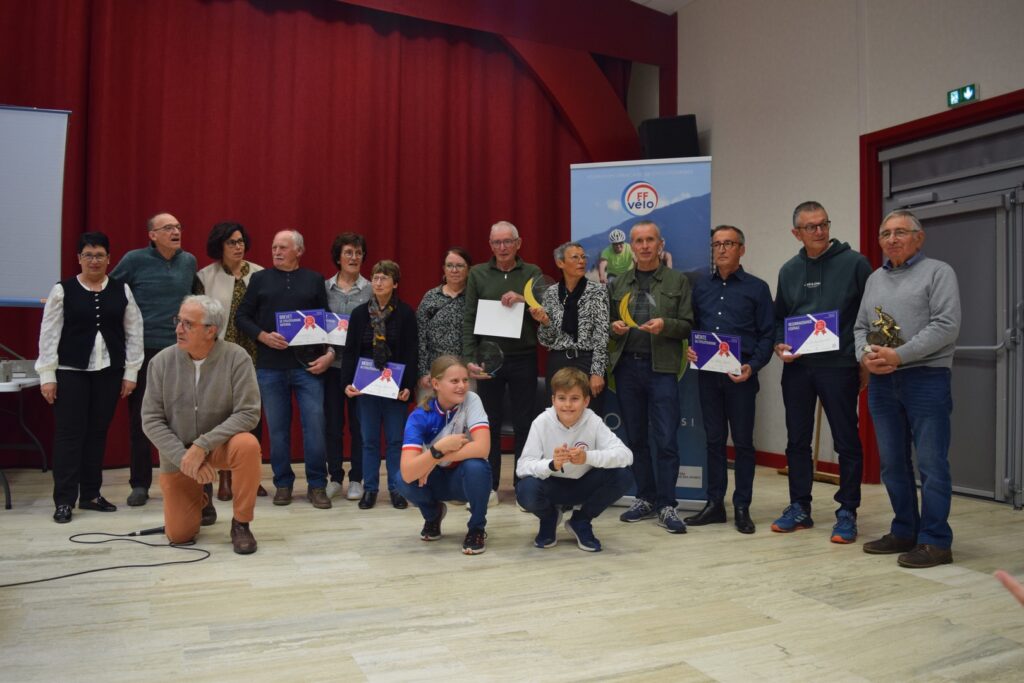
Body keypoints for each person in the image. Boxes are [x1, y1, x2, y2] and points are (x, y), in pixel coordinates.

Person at [856, 209, 961, 568]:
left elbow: (946, 325)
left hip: (926, 378)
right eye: (885, 233)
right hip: (883, 382)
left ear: (919, 237)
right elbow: (860, 327)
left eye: (900, 232)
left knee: (931, 463)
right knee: (892, 464)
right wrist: (865, 355)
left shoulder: (938, 272)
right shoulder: (875, 279)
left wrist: (899, 355)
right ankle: (904, 530)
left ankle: (936, 541)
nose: (892, 239)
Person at [772, 200, 872, 543]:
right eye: (811, 227)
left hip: (839, 366)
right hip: (798, 369)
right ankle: (799, 507)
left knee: (846, 440)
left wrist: (864, 360)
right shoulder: (788, 270)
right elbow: (780, 319)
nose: (819, 231)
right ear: (796, 233)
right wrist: (780, 344)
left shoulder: (855, 263)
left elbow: (869, 315)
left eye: (824, 224)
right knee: (797, 441)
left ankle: (847, 511)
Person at [36, 232, 144, 523]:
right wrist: (47, 375)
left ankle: (91, 494)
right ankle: (64, 500)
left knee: (97, 434)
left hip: (109, 373)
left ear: (109, 259)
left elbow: (134, 332)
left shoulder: (122, 290)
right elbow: (49, 335)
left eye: (99, 256)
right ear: (79, 259)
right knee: (69, 436)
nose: (94, 261)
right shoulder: (62, 290)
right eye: (88, 255)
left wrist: (130, 372)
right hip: (70, 373)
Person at [142, 296, 262, 554]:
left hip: (220, 446)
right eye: (178, 321)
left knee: (248, 445)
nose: (178, 329)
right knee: (179, 535)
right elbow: (150, 420)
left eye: (188, 324)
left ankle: (241, 524)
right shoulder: (161, 362)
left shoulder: (237, 358)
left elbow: (248, 413)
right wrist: (185, 457)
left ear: (211, 330)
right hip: (179, 454)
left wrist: (202, 445)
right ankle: (202, 498)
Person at [683, 225, 774, 534]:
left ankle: (742, 506)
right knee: (713, 441)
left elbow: (767, 334)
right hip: (708, 376)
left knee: (744, 443)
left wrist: (753, 366)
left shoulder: (757, 288)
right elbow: (693, 327)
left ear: (741, 249)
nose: (721, 249)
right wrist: (691, 349)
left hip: (741, 377)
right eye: (717, 244)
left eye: (729, 244)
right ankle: (715, 505)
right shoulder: (701, 287)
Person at [235, 230, 334, 509]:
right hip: (270, 367)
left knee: (315, 427)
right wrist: (263, 336)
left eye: (283, 247)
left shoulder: (314, 279)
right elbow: (241, 316)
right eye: (274, 247)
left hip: (308, 367)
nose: (276, 252)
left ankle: (317, 485)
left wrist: (329, 354)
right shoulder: (260, 279)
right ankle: (283, 483)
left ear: (298, 251)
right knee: (277, 430)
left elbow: (326, 321)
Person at [608, 220, 694, 534]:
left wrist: (666, 325)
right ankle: (644, 497)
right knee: (636, 439)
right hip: (627, 369)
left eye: (650, 240)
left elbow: (687, 325)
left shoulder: (677, 280)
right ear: (631, 246)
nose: (644, 246)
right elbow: (608, 325)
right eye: (639, 241)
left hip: (662, 370)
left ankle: (667, 504)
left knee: (666, 439)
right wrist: (614, 328)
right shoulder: (618, 282)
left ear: (660, 244)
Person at [110, 212, 197, 507]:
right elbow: (111, 293)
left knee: (185, 418)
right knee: (142, 419)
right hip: (144, 351)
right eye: (168, 227)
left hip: (181, 351)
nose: (175, 231)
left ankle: (185, 478)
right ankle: (139, 484)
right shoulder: (134, 260)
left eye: (178, 226)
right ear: (152, 235)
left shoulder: (189, 261)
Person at [462, 220, 542, 506]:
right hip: (489, 361)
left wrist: (523, 299)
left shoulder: (532, 273)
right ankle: (489, 486)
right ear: (490, 245)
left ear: (518, 243)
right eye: (497, 242)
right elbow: (469, 317)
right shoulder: (477, 273)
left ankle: (523, 487)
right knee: (489, 423)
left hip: (524, 357)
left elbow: (546, 311)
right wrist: (469, 358)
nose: (503, 247)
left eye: (508, 241)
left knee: (524, 424)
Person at [516, 367, 632, 551]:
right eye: (562, 398)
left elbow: (626, 455)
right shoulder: (541, 422)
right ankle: (549, 518)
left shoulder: (593, 421)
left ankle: (581, 520)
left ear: (586, 401)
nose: (567, 405)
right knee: (525, 489)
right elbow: (522, 467)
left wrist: (588, 457)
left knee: (623, 475)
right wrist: (551, 465)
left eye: (575, 398)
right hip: (552, 486)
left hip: (584, 485)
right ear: (553, 400)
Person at [194, 221, 267, 502]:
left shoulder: (260, 273)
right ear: (220, 246)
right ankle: (224, 477)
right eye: (231, 243)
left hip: (254, 352)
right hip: (220, 354)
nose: (238, 247)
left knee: (251, 413)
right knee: (222, 414)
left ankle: (249, 475)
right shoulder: (206, 276)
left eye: (241, 241)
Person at [342, 260, 418, 510]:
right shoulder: (359, 314)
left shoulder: (405, 313)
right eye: (375, 277)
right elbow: (350, 352)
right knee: (369, 441)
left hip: (395, 388)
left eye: (384, 277)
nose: (378, 282)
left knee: (395, 441)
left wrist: (408, 386)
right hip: (366, 388)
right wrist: (347, 383)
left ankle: (397, 489)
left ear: (395, 283)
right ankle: (371, 489)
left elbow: (411, 352)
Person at [396, 356, 492, 554]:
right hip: (433, 480)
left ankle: (476, 528)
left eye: (465, 380)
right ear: (436, 384)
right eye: (454, 381)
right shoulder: (419, 416)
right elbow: (407, 472)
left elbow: (483, 448)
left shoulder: (472, 400)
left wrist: (438, 455)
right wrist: (437, 449)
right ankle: (433, 515)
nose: (462, 386)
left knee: (477, 465)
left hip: (464, 479)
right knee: (401, 480)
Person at [530, 241, 609, 416]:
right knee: (558, 416)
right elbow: (546, 340)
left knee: (589, 417)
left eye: (583, 257)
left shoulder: (598, 291)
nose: (581, 261)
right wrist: (545, 323)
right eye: (575, 257)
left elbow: (602, 334)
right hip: (558, 361)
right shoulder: (551, 293)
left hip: (586, 360)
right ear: (560, 263)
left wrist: (597, 372)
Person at [324, 232, 372, 502]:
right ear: (338, 257)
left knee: (359, 426)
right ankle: (334, 477)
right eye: (348, 253)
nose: (354, 258)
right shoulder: (324, 288)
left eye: (358, 253)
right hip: (331, 367)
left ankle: (356, 478)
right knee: (332, 425)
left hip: (360, 369)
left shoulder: (371, 289)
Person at [416, 247, 472, 392]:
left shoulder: (474, 298)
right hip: (434, 373)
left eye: (460, 266)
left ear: (468, 270)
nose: (454, 270)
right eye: (450, 265)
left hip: (466, 373)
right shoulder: (431, 297)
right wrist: (423, 372)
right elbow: (420, 337)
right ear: (444, 269)